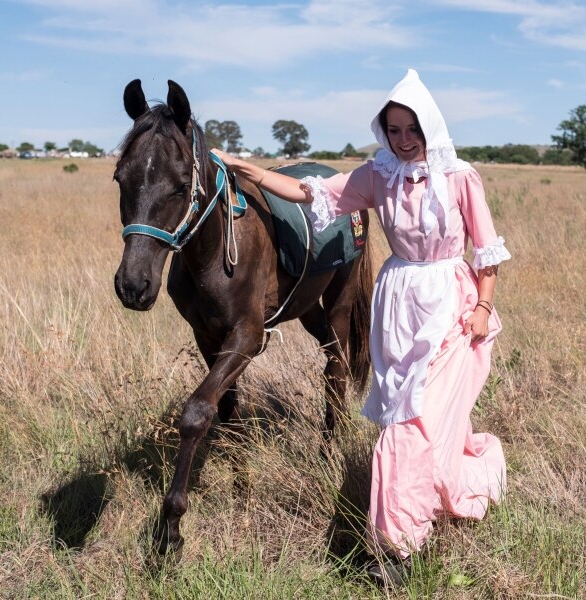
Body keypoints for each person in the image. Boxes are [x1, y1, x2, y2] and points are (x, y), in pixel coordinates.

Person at [213, 69, 510, 585]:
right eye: (392, 130)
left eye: (410, 128)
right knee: (408, 424)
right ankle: (422, 514)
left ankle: (394, 551)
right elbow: (312, 194)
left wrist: (483, 308)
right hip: (398, 308)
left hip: (450, 305)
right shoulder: (379, 175)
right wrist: (252, 171)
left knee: (416, 426)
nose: (402, 139)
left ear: (428, 125)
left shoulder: (460, 176)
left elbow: (486, 252)